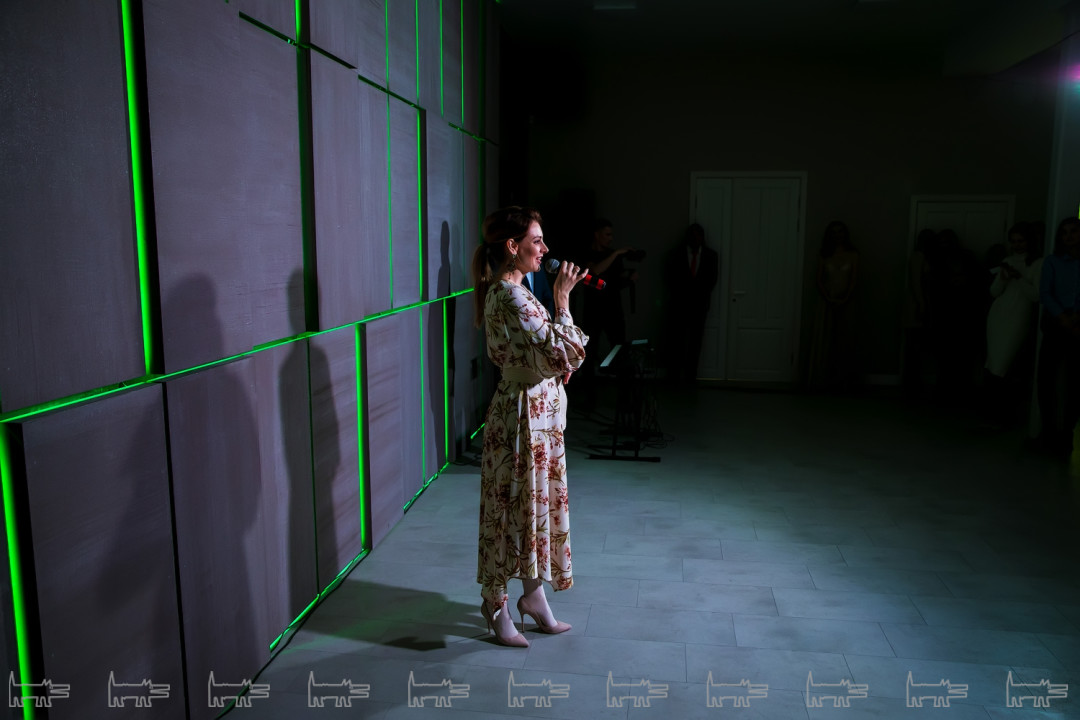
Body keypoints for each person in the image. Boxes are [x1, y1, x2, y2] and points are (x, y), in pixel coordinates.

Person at [471, 206, 590, 647]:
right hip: (521, 416)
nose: (544, 248)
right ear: (512, 246)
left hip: (537, 413)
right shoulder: (509, 295)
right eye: (536, 241)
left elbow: (551, 354)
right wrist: (563, 303)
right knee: (510, 509)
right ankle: (495, 602)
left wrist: (555, 361)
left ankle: (533, 595)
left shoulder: (516, 291)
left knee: (532, 507)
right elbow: (562, 351)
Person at [983, 222, 1042, 426]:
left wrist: (1019, 278)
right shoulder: (1007, 260)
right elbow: (994, 292)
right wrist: (1003, 278)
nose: (1017, 245)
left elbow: (1036, 295)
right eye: (1014, 241)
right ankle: (993, 414)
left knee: (1003, 364)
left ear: (1029, 241)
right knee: (993, 363)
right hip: (998, 316)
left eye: (1021, 241)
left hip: (1018, 317)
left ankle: (1004, 415)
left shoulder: (1038, 263)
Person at [1036, 216, 1080, 455]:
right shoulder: (1052, 262)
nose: (1069, 236)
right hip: (1055, 323)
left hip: (1077, 325)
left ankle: (1066, 434)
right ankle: (1048, 432)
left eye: (1074, 231)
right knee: (1047, 379)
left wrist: (1076, 317)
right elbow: (1045, 292)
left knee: (1075, 383)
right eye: (1065, 232)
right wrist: (1063, 318)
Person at [807, 221, 859, 390]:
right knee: (826, 339)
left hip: (847, 301)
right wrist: (828, 298)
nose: (838, 235)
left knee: (846, 339)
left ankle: (844, 380)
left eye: (840, 231)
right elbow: (818, 279)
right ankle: (823, 379)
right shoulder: (824, 254)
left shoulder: (853, 254)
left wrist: (845, 298)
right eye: (834, 232)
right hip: (827, 301)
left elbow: (854, 279)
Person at [664, 223, 719, 383]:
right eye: (692, 236)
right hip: (679, 305)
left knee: (695, 342)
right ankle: (674, 376)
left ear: (702, 237)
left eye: (698, 236)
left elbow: (712, 280)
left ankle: (690, 377)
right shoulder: (676, 254)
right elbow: (670, 278)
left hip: (699, 306)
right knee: (677, 341)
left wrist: (699, 296)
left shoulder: (711, 255)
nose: (695, 239)